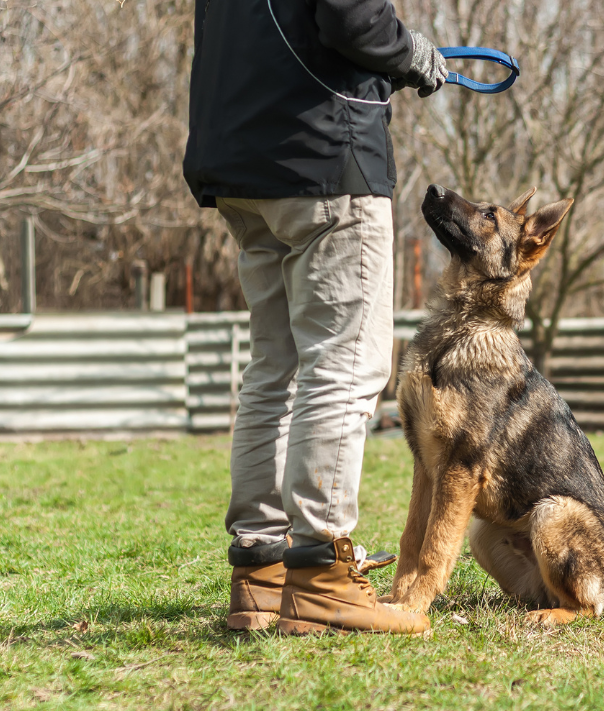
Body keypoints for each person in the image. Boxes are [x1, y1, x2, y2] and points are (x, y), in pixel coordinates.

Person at [182, 0, 447, 635]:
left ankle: (260, 572)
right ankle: (322, 573)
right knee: (345, 364)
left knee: (276, 369)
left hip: (238, 157)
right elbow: (351, 18)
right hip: (324, 154)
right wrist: (409, 52)